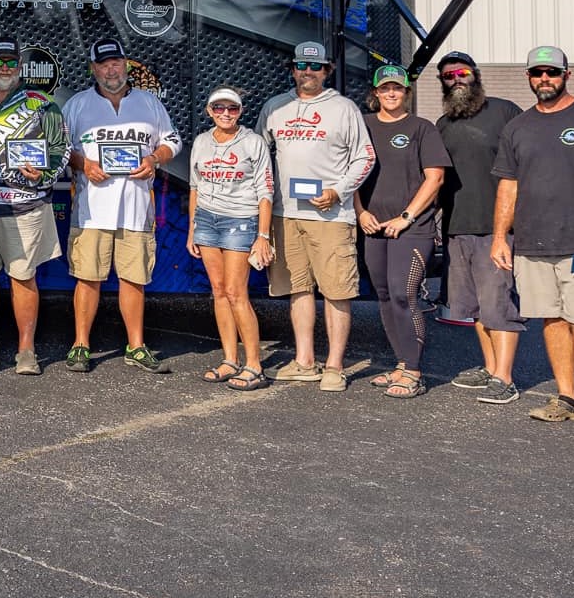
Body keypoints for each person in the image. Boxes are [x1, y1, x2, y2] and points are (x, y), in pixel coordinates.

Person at [490, 45, 574, 445]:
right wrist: (500, 236)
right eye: (537, 72)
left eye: (551, 71)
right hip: (532, 243)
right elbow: (508, 186)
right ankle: (567, 398)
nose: (544, 79)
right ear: (528, 77)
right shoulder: (518, 127)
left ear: (567, 74)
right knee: (552, 321)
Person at [257, 40, 372, 392]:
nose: (308, 73)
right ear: (293, 69)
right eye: (302, 67)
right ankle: (304, 361)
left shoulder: (344, 109)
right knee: (298, 288)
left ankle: (335, 366)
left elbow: (365, 158)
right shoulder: (276, 107)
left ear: (327, 71)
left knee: (337, 291)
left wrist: (338, 191)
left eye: (315, 67)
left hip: (331, 217)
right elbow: (260, 155)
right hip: (285, 214)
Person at [62, 38, 181, 374]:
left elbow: (173, 140)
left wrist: (155, 158)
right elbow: (61, 148)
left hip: (137, 207)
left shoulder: (149, 103)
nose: (110, 69)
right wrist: (83, 163)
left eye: (116, 62)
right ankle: (80, 345)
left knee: (133, 280)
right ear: (93, 68)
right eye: (103, 64)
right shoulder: (78, 104)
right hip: (91, 210)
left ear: (126, 65)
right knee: (88, 278)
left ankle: (137, 346)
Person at [0, 36, 68, 376]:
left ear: (19, 67)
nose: (5, 68)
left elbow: (61, 148)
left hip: (24, 207)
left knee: (23, 278)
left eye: (11, 62)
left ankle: (26, 350)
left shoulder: (42, 103)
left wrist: (43, 173)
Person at [431, 51, 526, 403]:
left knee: (498, 303)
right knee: (474, 308)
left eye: (462, 72)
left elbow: (526, 165)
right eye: (448, 75)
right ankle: (490, 368)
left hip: (496, 229)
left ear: (476, 75)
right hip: (457, 228)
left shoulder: (505, 112)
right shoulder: (443, 124)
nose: (456, 78)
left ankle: (506, 378)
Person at [354, 64, 451, 400]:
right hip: (373, 227)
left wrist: (406, 216)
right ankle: (399, 363)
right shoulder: (363, 126)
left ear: (406, 93)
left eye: (397, 89)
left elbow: (435, 178)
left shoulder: (422, 128)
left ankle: (413, 371)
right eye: (385, 89)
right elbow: (349, 172)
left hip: (412, 229)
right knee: (382, 295)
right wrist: (360, 212)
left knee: (403, 294)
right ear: (376, 93)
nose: (391, 94)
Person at [185, 86, 274, 391]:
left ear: (240, 111)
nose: (225, 114)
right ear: (209, 111)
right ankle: (229, 360)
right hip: (207, 221)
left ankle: (254, 366)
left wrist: (262, 236)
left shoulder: (253, 142)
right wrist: (192, 229)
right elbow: (195, 187)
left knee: (237, 293)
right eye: (219, 108)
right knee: (219, 291)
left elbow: (265, 192)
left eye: (232, 109)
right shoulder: (201, 142)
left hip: (241, 221)